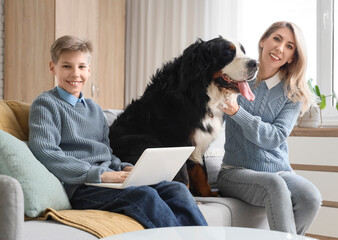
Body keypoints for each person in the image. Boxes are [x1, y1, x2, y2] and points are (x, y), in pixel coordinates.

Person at [28, 35, 207, 228]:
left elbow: (106, 154)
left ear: (89, 70)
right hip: (80, 187)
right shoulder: (45, 104)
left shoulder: (94, 109)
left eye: (81, 66)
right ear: (52, 67)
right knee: (144, 196)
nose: (75, 74)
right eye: (66, 66)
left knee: (177, 189)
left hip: (107, 179)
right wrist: (99, 174)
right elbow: (46, 153)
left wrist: (125, 168)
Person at [217, 21, 322, 235]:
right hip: (235, 171)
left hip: (280, 170)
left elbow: (275, 137)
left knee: (311, 197)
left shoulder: (292, 94)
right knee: (274, 185)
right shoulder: (236, 77)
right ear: (263, 41)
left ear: (292, 57)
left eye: (289, 46)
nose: (280, 48)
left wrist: (238, 112)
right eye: (277, 39)